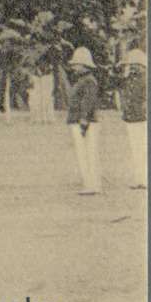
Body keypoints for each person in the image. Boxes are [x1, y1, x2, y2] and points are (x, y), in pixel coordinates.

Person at [66, 46, 103, 195]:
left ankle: (92, 184)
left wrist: (84, 119)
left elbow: (88, 102)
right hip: (79, 120)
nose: (74, 67)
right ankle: (89, 183)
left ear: (84, 65)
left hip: (84, 121)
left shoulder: (88, 81)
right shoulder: (83, 80)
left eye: (76, 64)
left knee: (87, 153)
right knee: (83, 153)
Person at [120, 47, 146, 190]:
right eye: (132, 65)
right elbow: (112, 84)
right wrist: (116, 70)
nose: (134, 67)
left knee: (144, 148)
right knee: (135, 149)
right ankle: (139, 178)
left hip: (143, 118)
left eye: (137, 64)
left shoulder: (146, 79)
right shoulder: (128, 79)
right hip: (131, 118)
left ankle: (145, 178)